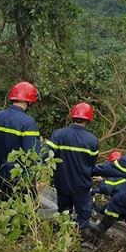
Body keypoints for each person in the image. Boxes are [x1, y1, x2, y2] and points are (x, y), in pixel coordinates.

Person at [46, 102, 100, 238]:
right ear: (89, 119)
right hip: (81, 185)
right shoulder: (92, 141)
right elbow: (92, 165)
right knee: (84, 215)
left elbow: (46, 155)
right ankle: (81, 239)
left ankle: (61, 238)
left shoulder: (58, 134)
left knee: (64, 212)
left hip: (62, 182)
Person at [0, 81, 41, 198]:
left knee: (8, 204)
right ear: (29, 100)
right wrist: (35, 179)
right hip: (20, 178)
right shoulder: (27, 123)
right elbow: (32, 154)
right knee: (26, 211)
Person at [91, 150, 126, 229]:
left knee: (101, 213)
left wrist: (94, 190)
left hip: (118, 203)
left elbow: (106, 189)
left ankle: (97, 231)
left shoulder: (113, 174)